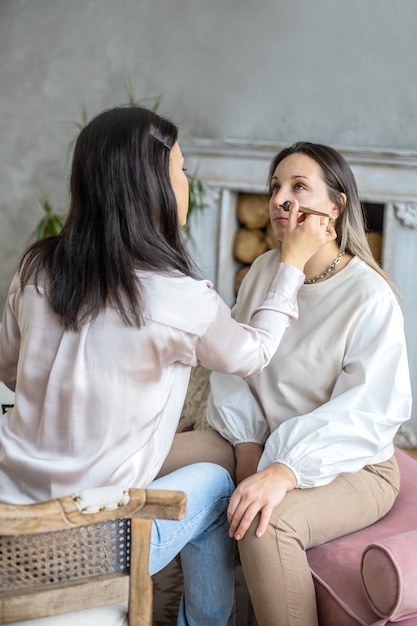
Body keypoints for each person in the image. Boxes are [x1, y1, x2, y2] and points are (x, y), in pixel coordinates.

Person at [0, 109, 332, 626]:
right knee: (221, 483)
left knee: (209, 458)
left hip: (12, 524)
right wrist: (290, 264)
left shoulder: (37, 266)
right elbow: (253, 353)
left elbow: (10, 370)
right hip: (95, 543)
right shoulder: (180, 298)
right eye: (180, 169)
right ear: (149, 184)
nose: (185, 181)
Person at [207, 141, 412, 626]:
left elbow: (366, 411)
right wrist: (246, 444)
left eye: (299, 187)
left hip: (352, 465)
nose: (281, 199)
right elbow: (236, 366)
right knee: (155, 457)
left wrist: (284, 471)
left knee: (265, 523)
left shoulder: (369, 295)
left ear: (335, 207)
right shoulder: (263, 272)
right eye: (276, 187)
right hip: (268, 445)